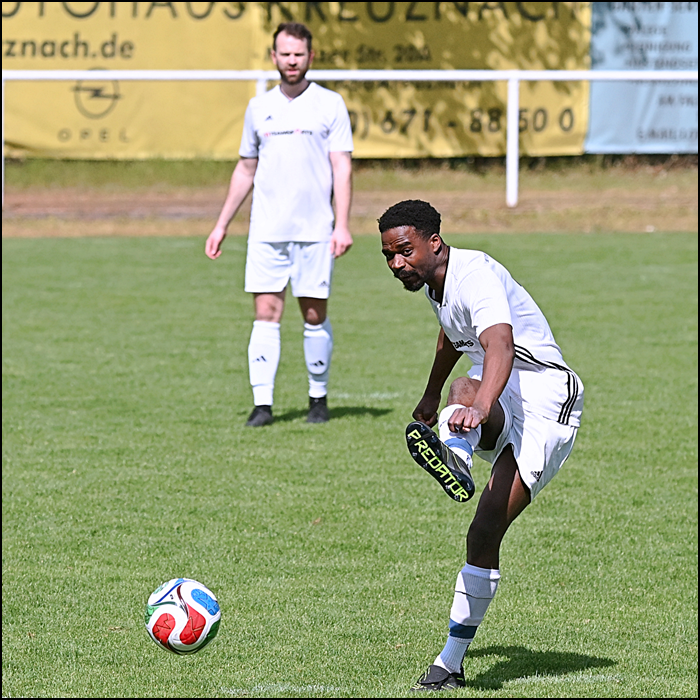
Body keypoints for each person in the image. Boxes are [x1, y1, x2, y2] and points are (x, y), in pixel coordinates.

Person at [378, 200, 584, 692]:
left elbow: (499, 345)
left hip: (546, 398)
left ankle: (459, 449)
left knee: (485, 528)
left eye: (404, 251)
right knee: (461, 391)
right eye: (388, 255)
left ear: (434, 242)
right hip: (504, 387)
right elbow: (452, 336)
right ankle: (450, 666)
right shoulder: (437, 281)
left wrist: (482, 406)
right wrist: (432, 394)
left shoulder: (475, 276)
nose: (396, 263)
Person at [205, 22, 353, 426]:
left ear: (310, 57)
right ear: (273, 57)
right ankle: (263, 406)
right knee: (265, 313)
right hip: (267, 231)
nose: (292, 61)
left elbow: (341, 166)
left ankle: (318, 400)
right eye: (285, 54)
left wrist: (341, 224)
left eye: (298, 54)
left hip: (315, 230)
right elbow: (245, 168)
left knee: (314, 314)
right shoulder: (259, 107)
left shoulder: (330, 104)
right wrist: (221, 225)